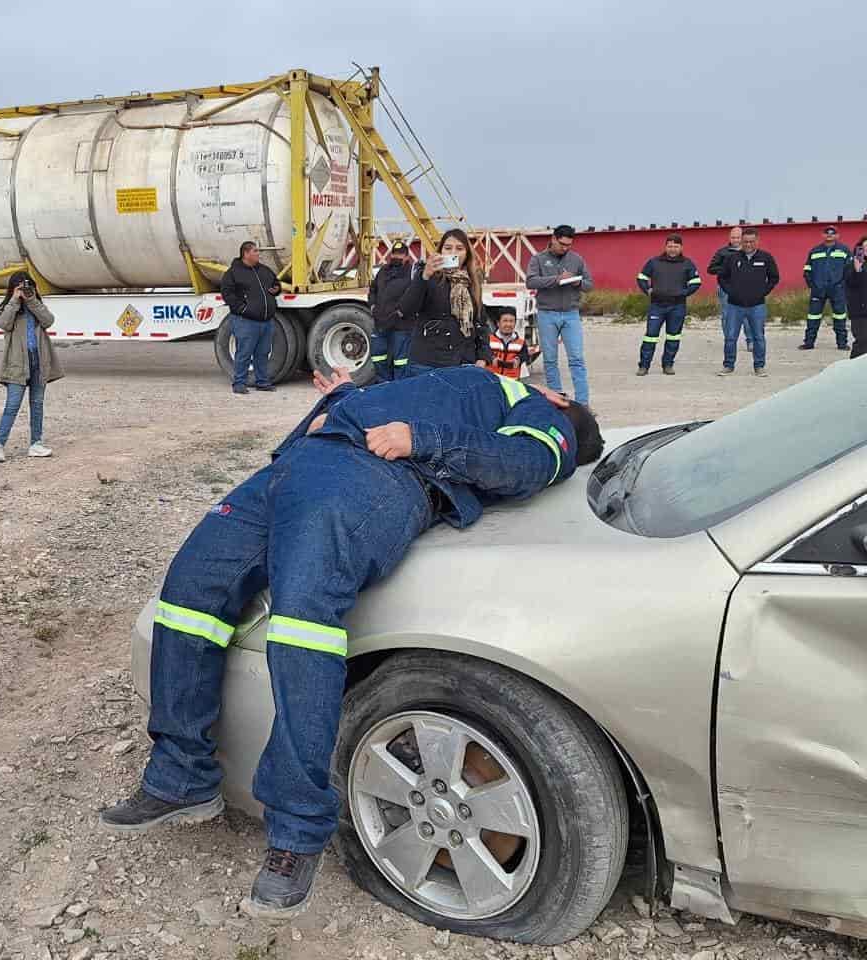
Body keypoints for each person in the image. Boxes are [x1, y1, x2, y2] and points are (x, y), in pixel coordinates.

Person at [99, 364, 604, 919]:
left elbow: (530, 462)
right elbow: (388, 399)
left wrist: (421, 439)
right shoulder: (474, 377)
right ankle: (182, 777)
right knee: (190, 591)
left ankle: (296, 833)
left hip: (374, 478)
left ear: (559, 402)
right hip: (298, 468)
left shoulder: (538, 412)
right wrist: (339, 400)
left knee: (302, 623)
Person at [396, 228, 490, 375]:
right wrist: (424, 276)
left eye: (459, 248)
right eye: (448, 248)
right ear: (440, 252)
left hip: (463, 361)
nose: (453, 252)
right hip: (429, 362)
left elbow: (480, 323)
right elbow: (405, 310)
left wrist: (483, 357)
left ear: (466, 254)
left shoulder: (472, 282)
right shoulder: (428, 276)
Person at [0, 271, 62, 461]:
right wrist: (15, 299)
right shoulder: (6, 308)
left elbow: (49, 320)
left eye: (27, 286)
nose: (24, 290)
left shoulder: (35, 306)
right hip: (17, 364)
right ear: (13, 288)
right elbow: (4, 324)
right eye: (21, 287)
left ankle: (36, 444)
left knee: (37, 404)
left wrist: (31, 300)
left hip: (38, 362)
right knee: (13, 405)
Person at [526, 225, 593, 404]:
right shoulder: (538, 259)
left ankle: (583, 403)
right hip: (547, 313)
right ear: (553, 239)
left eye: (569, 245)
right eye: (562, 244)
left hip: (571, 314)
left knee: (577, 359)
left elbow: (589, 284)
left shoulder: (577, 259)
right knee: (550, 360)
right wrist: (556, 280)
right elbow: (530, 282)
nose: (565, 248)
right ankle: (557, 399)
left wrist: (576, 282)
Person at [635, 234, 702, 376]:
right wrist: (648, 291)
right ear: (665, 247)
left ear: (681, 247)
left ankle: (668, 365)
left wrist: (683, 293)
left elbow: (696, 282)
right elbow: (641, 278)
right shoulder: (654, 262)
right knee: (650, 336)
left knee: (673, 336)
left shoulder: (687, 263)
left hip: (677, 307)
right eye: (670, 246)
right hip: (657, 306)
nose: (672, 249)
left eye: (676, 246)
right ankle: (644, 366)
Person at [220, 241, 281, 395]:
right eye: (255, 251)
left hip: (266, 321)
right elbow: (227, 294)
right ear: (245, 253)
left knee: (262, 353)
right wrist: (243, 309)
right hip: (245, 321)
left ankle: (262, 382)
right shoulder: (233, 273)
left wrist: (276, 289)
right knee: (244, 352)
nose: (258, 254)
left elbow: (276, 283)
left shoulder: (264, 270)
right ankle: (239, 383)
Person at [718, 227, 779, 377]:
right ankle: (728, 365)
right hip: (734, 305)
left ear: (757, 241)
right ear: (741, 241)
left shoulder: (766, 258)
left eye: (751, 241)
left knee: (758, 337)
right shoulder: (732, 258)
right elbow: (722, 277)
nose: (748, 244)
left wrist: (763, 292)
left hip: (757, 305)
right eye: (745, 242)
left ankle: (759, 366)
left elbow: (774, 277)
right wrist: (730, 291)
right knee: (731, 337)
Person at [368, 239, 415, 380]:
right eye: (394, 254)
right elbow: (373, 290)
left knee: (401, 361)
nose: (396, 257)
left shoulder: (412, 273)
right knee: (378, 357)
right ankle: (383, 385)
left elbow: (415, 296)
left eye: (400, 254)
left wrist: (402, 312)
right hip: (380, 323)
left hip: (401, 325)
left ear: (407, 257)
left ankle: (399, 387)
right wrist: (372, 306)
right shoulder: (383, 270)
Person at [800, 226, 851, 351]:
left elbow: (849, 270)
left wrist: (842, 285)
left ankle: (842, 344)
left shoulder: (844, 250)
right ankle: (809, 343)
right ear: (822, 235)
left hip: (837, 289)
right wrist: (812, 285)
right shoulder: (815, 251)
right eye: (826, 233)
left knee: (839, 316)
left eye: (832, 233)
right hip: (818, 289)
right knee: (813, 316)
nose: (829, 235)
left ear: (837, 235)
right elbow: (807, 270)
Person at [706, 226, 748, 350]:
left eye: (738, 237)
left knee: (747, 314)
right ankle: (729, 341)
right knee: (727, 315)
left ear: (743, 237)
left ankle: (750, 340)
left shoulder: (749, 252)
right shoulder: (722, 252)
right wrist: (726, 269)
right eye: (733, 237)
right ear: (729, 238)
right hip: (726, 289)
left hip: (746, 289)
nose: (736, 240)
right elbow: (711, 269)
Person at [488, 308, 538, 379]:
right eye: (505, 321)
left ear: (515, 323)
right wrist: (492, 358)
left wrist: (518, 359)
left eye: (511, 321)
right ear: (498, 323)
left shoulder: (521, 342)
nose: (508, 324)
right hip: (491, 380)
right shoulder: (488, 340)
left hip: (512, 382)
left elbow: (524, 355)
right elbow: (484, 353)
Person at [845, 235, 867, 359]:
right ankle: (853, 368)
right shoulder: (851, 265)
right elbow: (850, 283)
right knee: (862, 341)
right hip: (860, 311)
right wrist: (857, 270)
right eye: (865, 247)